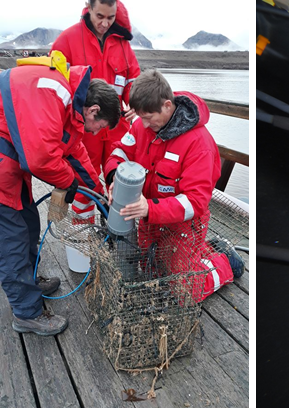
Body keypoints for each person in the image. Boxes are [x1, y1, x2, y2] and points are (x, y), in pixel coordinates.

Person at [0, 53, 121, 335]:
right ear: (92, 111)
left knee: (29, 223)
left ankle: (29, 281)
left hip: (10, 169)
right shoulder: (51, 92)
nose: (95, 133)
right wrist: (69, 182)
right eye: (100, 127)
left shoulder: (69, 102)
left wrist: (99, 194)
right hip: (4, 169)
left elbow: (74, 152)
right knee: (12, 238)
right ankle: (26, 313)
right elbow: (40, 159)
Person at [105, 69, 243, 302]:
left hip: (184, 223)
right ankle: (204, 251)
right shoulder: (142, 125)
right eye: (141, 117)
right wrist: (113, 180)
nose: (145, 125)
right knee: (151, 269)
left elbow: (196, 202)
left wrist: (150, 209)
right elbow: (120, 152)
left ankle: (226, 262)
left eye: (149, 117)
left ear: (167, 105)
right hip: (150, 216)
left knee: (184, 291)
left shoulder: (200, 145)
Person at [52, 0, 140, 222]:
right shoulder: (67, 39)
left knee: (120, 179)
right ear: (88, 7)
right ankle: (84, 234)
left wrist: (137, 105)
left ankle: (118, 229)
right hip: (83, 128)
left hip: (116, 128)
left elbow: (133, 81)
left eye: (110, 18)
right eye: (100, 16)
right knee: (84, 182)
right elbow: (54, 84)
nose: (105, 23)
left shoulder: (123, 44)